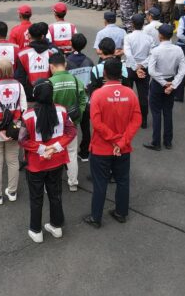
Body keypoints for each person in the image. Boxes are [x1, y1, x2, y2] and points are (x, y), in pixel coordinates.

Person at [83, 58, 142, 229]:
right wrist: (122, 141)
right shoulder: (130, 94)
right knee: (123, 180)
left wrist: (113, 139)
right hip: (123, 149)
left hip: (101, 148)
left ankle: (96, 217)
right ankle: (121, 213)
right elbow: (136, 119)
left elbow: (97, 123)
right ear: (121, 73)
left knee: (100, 182)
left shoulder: (97, 94)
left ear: (104, 74)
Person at [19, 78, 76, 243]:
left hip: (36, 164)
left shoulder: (28, 115)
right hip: (57, 161)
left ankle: (36, 230)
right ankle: (56, 226)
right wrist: (55, 148)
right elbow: (71, 132)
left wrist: (43, 150)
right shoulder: (62, 110)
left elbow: (22, 140)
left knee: (36, 197)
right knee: (55, 194)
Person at [0, 59, 28, 205]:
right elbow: (24, 109)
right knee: (13, 161)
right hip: (14, 131)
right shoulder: (19, 86)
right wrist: (17, 125)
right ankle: (12, 191)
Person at [143, 24, 185, 151]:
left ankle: (156, 142)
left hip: (158, 83)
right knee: (168, 112)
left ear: (160, 36)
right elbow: (182, 70)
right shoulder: (178, 49)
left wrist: (163, 83)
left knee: (156, 112)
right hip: (171, 80)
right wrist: (172, 85)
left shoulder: (156, 50)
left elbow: (151, 71)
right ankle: (168, 141)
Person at [48, 53, 87, 191]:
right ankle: (73, 182)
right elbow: (83, 100)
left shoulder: (49, 83)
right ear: (65, 64)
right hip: (72, 123)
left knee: (52, 152)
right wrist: (79, 114)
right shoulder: (76, 80)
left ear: (51, 67)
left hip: (54, 125)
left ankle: (51, 185)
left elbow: (46, 105)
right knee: (71, 152)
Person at [66, 33, 96, 162]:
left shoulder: (66, 62)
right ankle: (84, 153)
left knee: (70, 128)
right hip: (86, 101)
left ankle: (69, 153)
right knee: (85, 127)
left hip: (70, 102)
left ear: (71, 44)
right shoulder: (89, 61)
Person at [124, 14, 154, 128]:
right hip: (144, 69)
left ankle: (128, 118)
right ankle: (144, 120)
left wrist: (135, 67)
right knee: (143, 95)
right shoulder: (149, 38)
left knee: (127, 94)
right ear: (143, 24)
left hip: (130, 68)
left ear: (132, 24)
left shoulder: (128, 37)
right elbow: (152, 54)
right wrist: (142, 66)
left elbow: (128, 54)